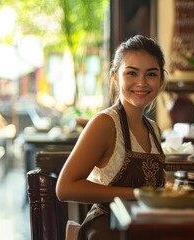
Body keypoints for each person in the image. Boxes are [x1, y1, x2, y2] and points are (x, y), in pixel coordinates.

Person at [56, 35, 167, 239]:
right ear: (115, 77)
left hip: (142, 226)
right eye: (132, 73)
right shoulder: (105, 124)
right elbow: (64, 188)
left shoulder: (153, 129)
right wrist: (136, 195)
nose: (141, 83)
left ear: (161, 80)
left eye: (151, 74)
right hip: (107, 228)